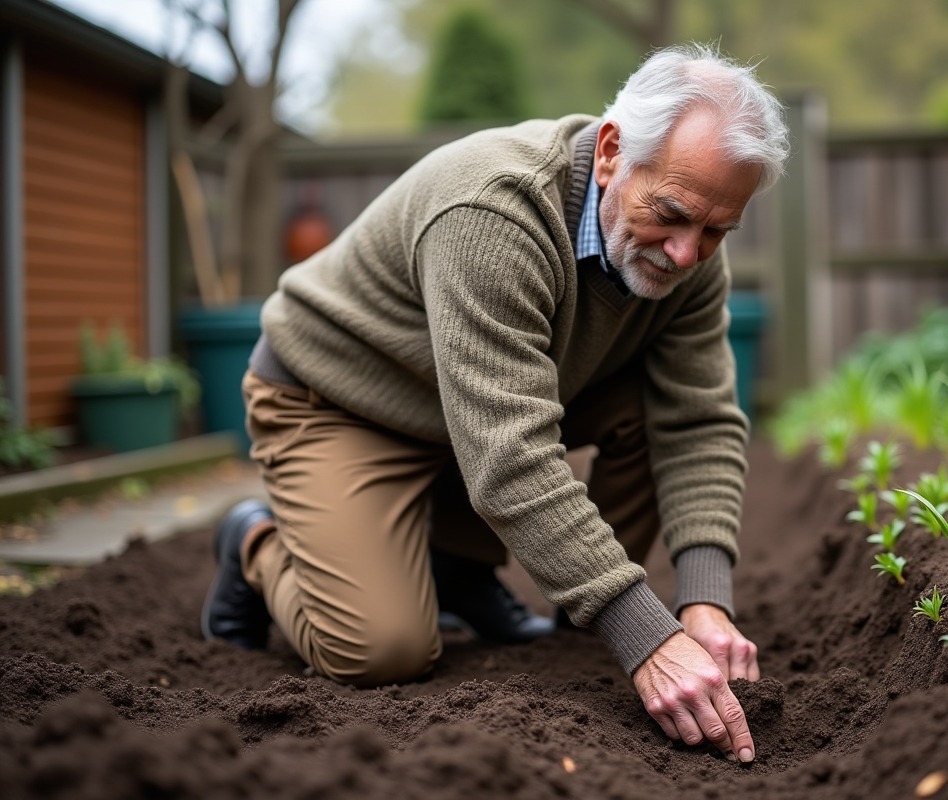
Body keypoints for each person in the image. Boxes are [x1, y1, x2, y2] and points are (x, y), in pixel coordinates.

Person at [201, 43, 789, 764]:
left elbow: (698, 418)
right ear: (610, 153)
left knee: (651, 402)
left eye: (716, 231)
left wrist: (704, 602)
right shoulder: (492, 212)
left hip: (476, 403)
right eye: (670, 214)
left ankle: (465, 571)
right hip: (342, 399)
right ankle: (255, 543)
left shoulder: (692, 241)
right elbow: (508, 458)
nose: (686, 254)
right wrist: (646, 635)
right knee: (379, 651)